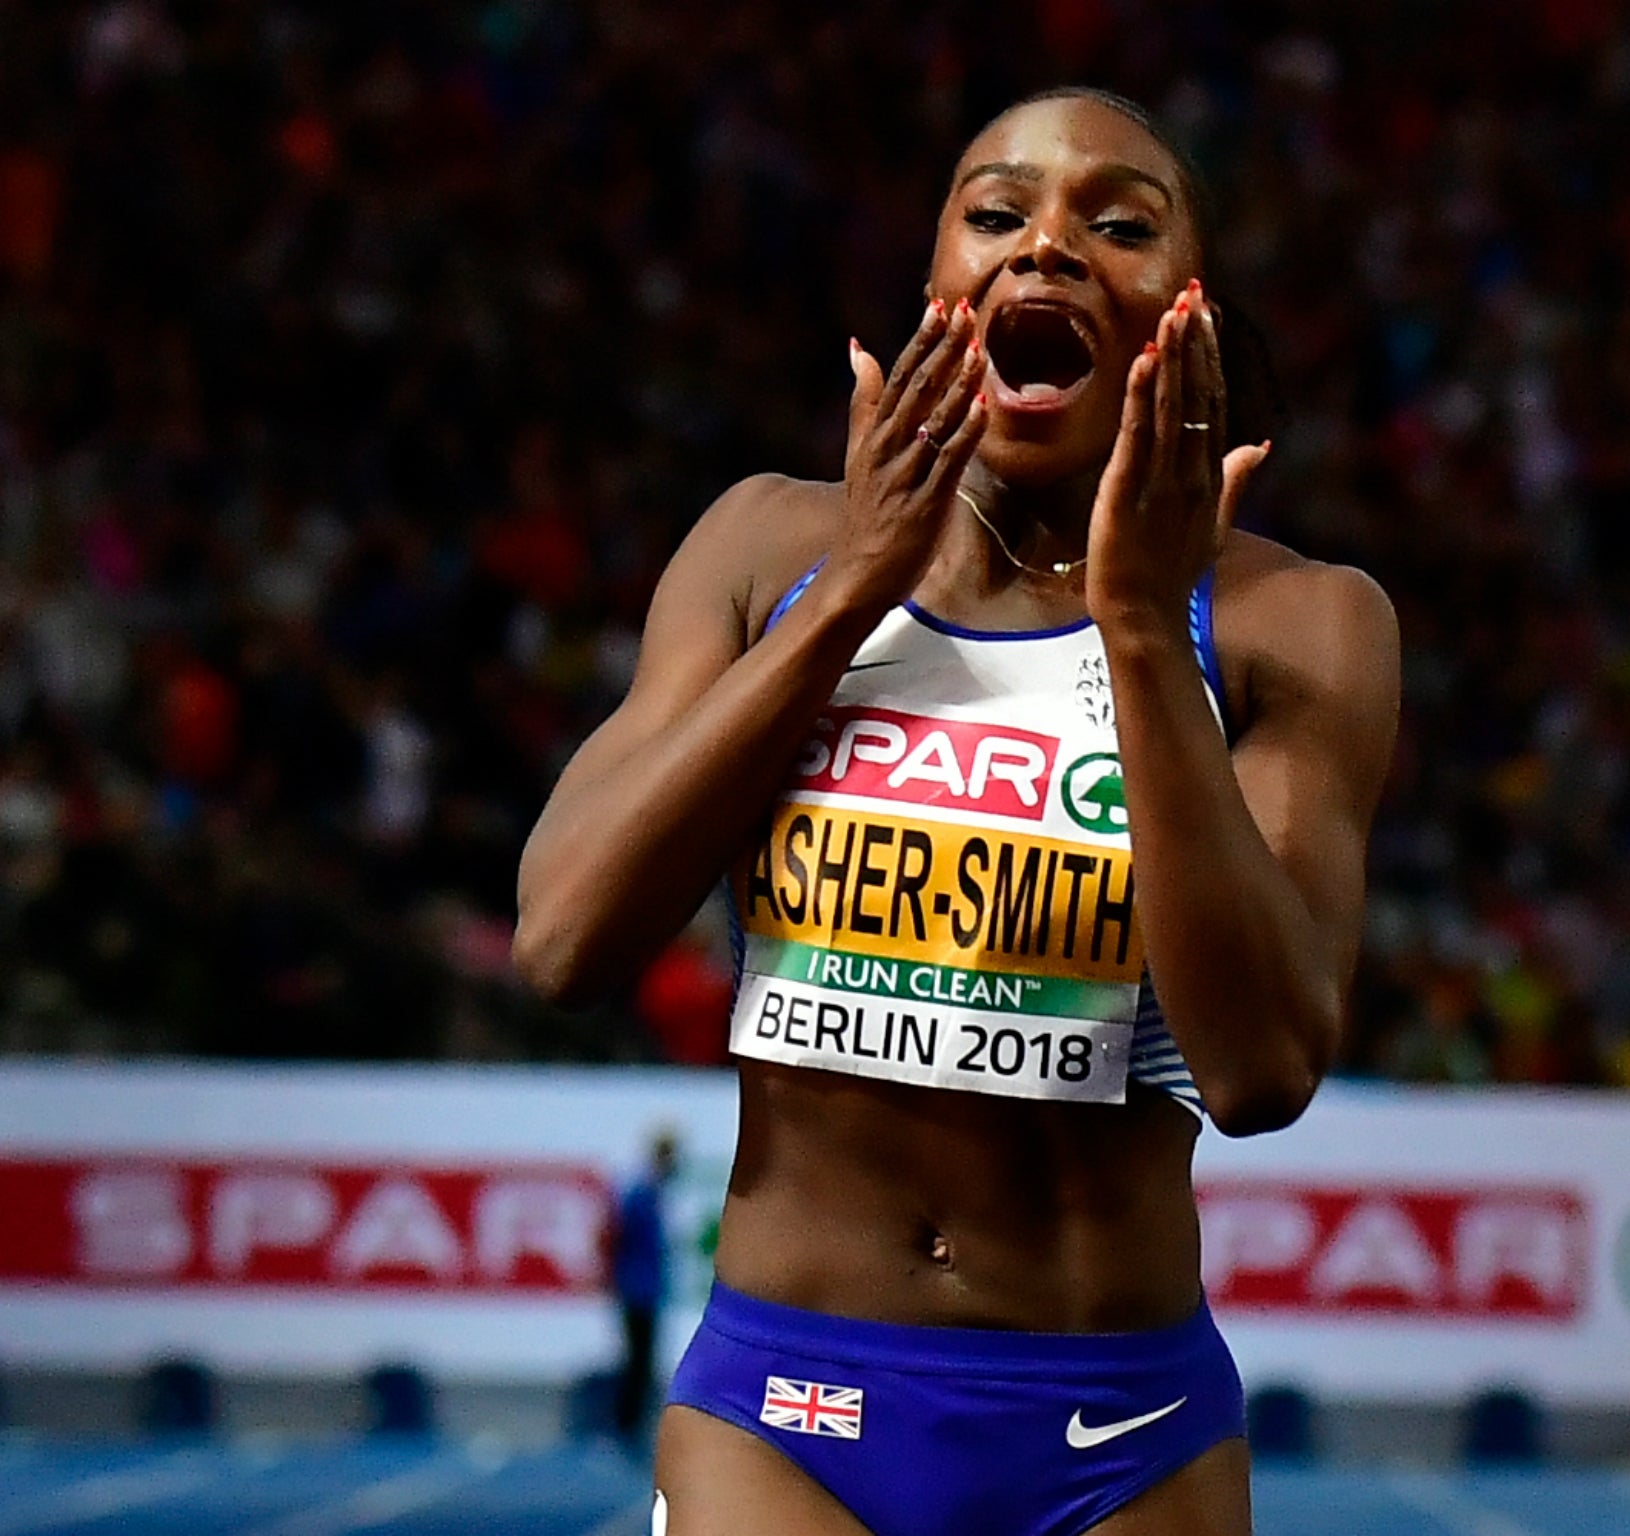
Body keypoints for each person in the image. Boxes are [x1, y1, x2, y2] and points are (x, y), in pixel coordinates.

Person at [514, 87, 1400, 1536]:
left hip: (1125, 1435)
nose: (1046, 244)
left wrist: (1135, 636)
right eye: (997, 213)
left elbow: (1263, 1071)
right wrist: (854, 589)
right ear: (939, 289)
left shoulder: (1295, 624)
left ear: (1188, 311)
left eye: (1116, 224)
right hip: (782, 1409)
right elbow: (562, 940)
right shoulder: (764, 545)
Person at [611, 1127, 680, 1444]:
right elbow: (619, 1238)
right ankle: (626, 1424)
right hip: (636, 1289)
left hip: (645, 1289)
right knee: (636, 1359)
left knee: (643, 1359)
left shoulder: (654, 1193)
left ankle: (631, 1423)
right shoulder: (642, 1193)